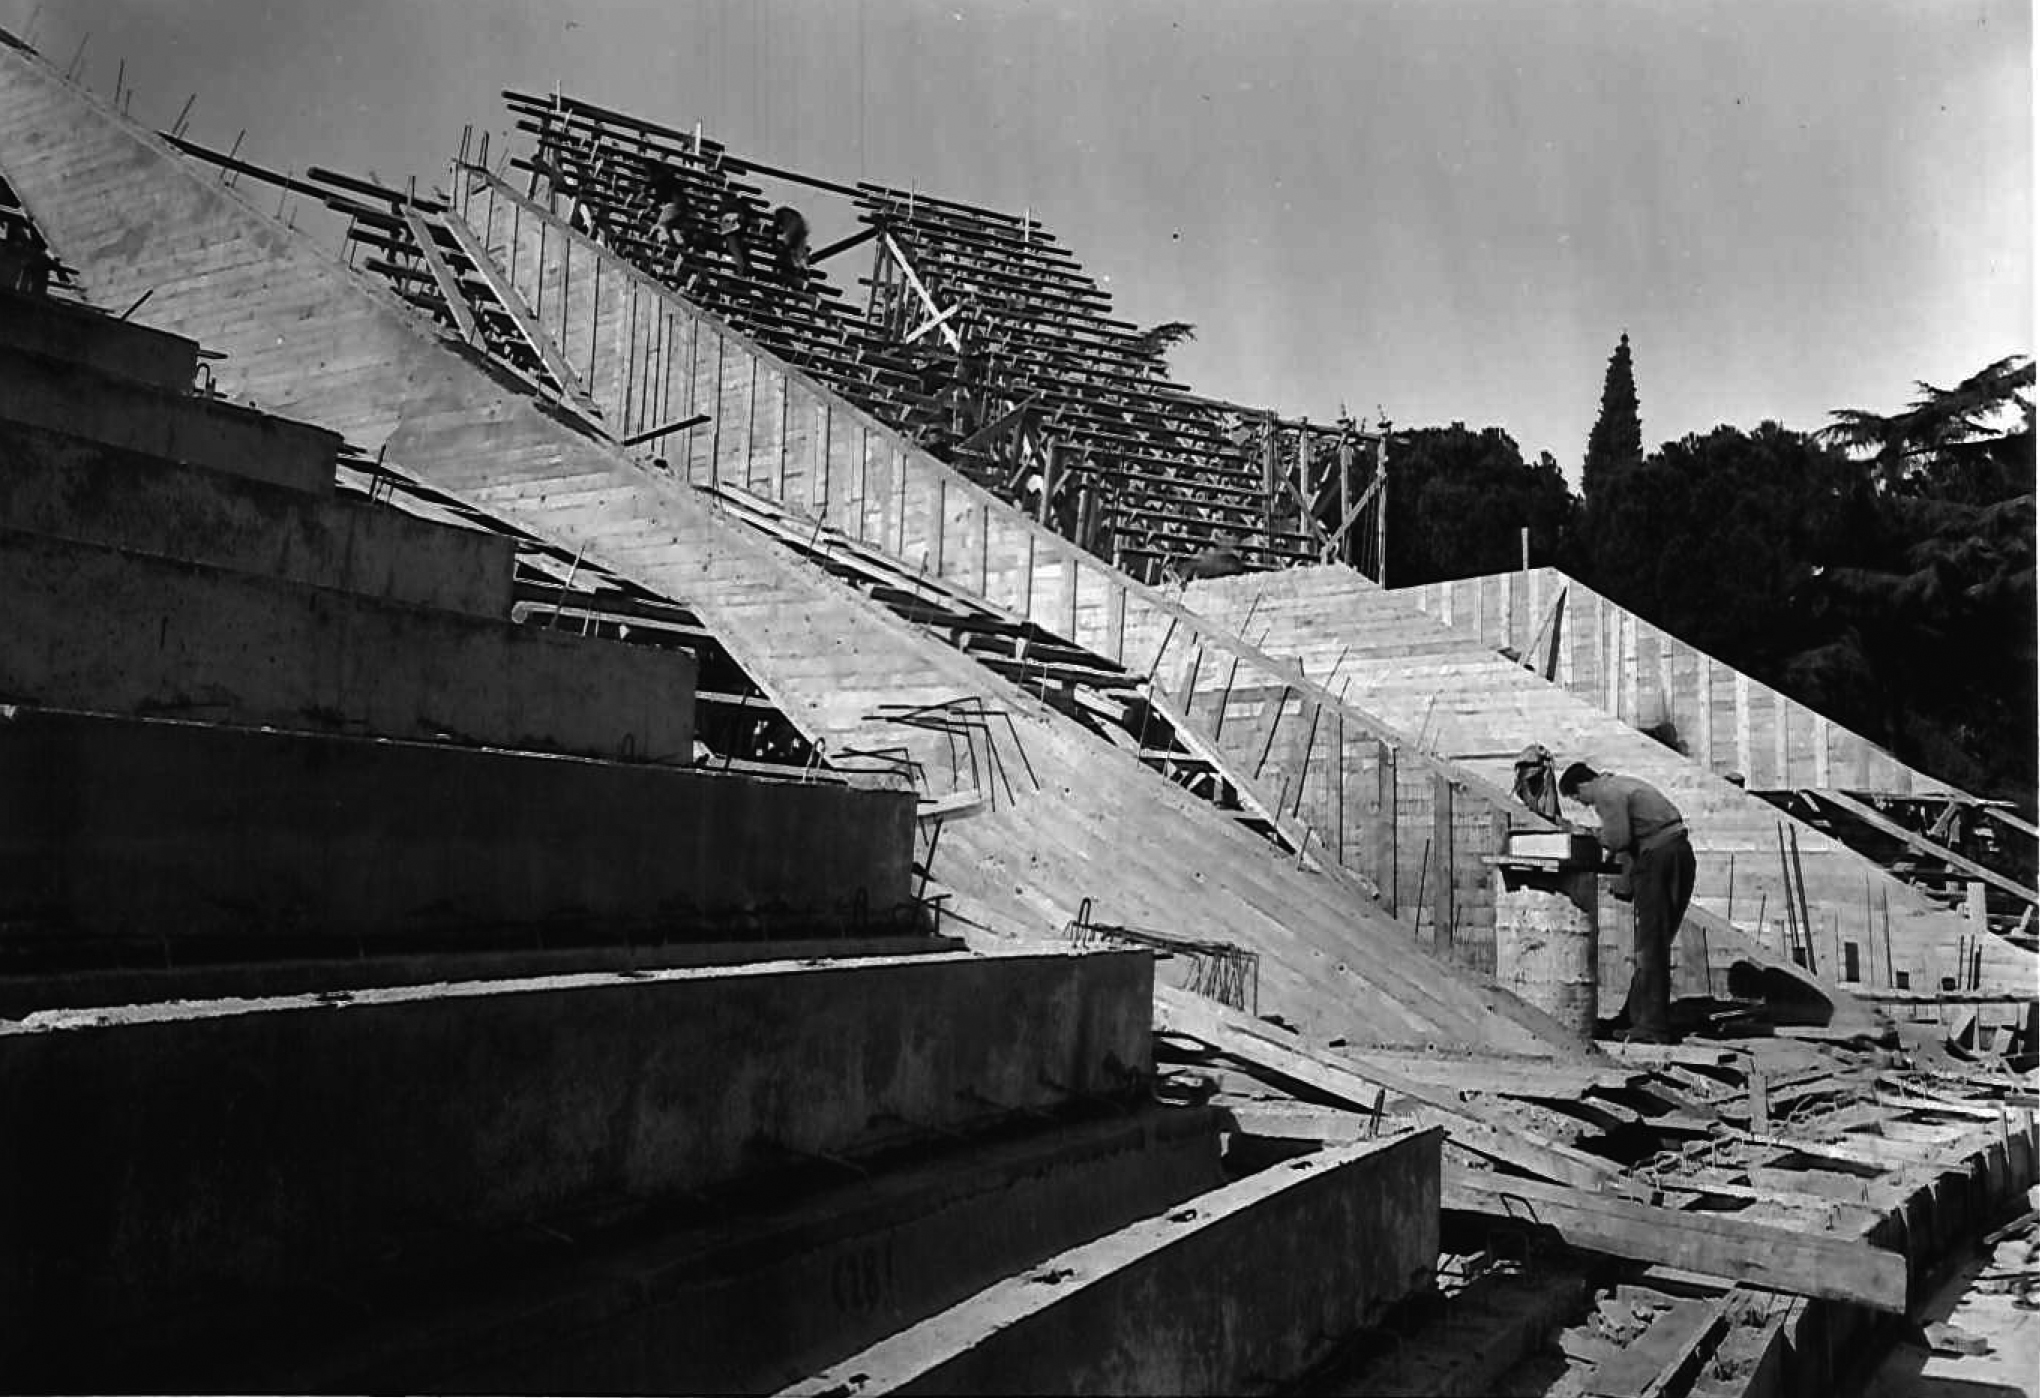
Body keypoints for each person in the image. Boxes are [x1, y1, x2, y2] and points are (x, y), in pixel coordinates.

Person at [1557, 761, 1695, 1043]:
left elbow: (1618, 839)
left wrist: (1587, 833)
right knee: (1654, 943)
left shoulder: (1606, 794)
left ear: (1582, 786)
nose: (1584, 805)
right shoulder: (1623, 784)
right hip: (1678, 853)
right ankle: (1635, 1016)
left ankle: (1653, 1026)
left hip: (1659, 859)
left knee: (1650, 946)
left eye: (1577, 799)